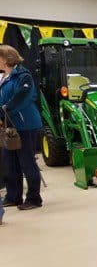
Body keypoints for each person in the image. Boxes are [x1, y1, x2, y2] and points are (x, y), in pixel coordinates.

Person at [0, 45, 43, 211]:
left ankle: (34, 198)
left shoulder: (24, 76)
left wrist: (4, 109)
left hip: (26, 126)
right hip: (10, 126)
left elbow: (22, 98)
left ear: (5, 59)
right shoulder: (4, 77)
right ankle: (13, 196)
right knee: (10, 163)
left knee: (27, 162)